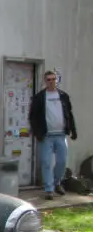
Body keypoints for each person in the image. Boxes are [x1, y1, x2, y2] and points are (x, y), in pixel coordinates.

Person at [29, 70, 78, 200]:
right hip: (46, 136)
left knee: (62, 161)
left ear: (57, 80)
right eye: (48, 80)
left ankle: (57, 183)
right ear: (45, 81)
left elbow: (69, 114)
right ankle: (49, 189)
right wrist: (37, 132)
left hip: (61, 134)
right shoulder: (39, 97)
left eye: (53, 79)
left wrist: (73, 130)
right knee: (46, 162)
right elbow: (32, 117)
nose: (51, 82)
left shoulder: (63, 96)